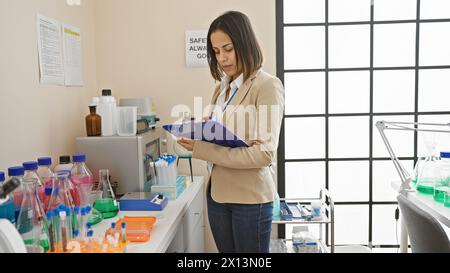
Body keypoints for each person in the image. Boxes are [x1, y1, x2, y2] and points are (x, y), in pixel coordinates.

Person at [177, 11, 284, 253]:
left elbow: (264, 154)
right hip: (217, 196)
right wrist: (202, 130)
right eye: (216, 52)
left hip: (250, 200)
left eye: (228, 49)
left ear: (244, 44)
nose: (222, 58)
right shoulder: (221, 88)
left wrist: (203, 149)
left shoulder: (266, 86)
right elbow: (225, 134)